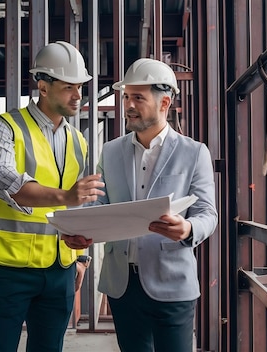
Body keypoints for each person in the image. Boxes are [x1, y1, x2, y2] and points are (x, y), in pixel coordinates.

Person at [0, 41, 104, 352]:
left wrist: (82, 258)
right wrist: (67, 196)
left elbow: (81, 204)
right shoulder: (3, 127)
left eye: (80, 87)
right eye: (68, 87)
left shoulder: (78, 140)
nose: (78, 95)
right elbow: (4, 180)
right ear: (43, 87)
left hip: (60, 270)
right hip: (9, 268)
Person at [96, 58, 218, 351]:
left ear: (164, 103)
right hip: (123, 286)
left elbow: (207, 214)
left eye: (138, 97)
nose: (128, 105)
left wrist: (187, 228)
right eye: (126, 96)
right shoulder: (111, 152)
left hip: (173, 285)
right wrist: (81, 229)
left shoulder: (194, 153)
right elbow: (99, 205)